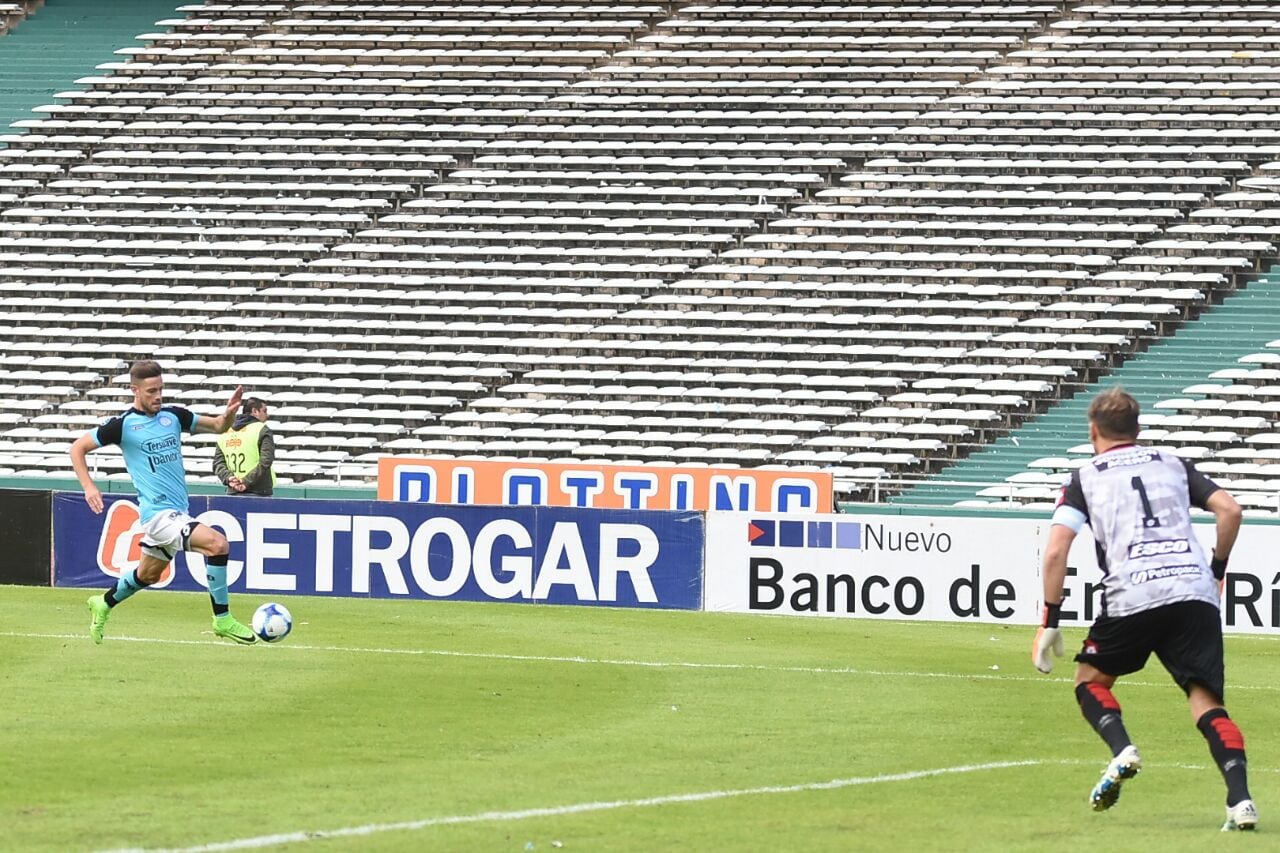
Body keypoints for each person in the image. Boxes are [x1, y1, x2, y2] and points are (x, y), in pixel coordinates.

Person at [1033, 386, 1256, 830]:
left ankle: (1122, 749)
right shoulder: (1171, 464)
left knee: (1089, 681)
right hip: (1192, 591)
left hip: (1133, 591)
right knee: (1206, 699)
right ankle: (1241, 801)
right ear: (1139, 430)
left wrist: (1050, 622)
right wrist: (1216, 569)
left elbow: (1056, 552)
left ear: (1094, 430)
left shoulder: (1085, 477)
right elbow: (1230, 511)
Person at [69, 360, 257, 644]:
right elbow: (77, 448)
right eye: (151, 391)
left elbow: (219, 426)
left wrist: (228, 414)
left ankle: (104, 602)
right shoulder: (123, 426)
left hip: (177, 512)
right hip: (158, 515)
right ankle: (222, 619)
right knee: (218, 544)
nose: (158, 396)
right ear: (135, 390)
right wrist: (88, 487)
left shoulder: (173, 416)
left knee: (148, 574)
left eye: (161, 389)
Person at [213, 396, 276, 496]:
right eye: (264, 411)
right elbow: (266, 461)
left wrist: (229, 479)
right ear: (255, 411)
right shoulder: (262, 429)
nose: (267, 415)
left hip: (233, 491)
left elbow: (218, 463)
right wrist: (245, 481)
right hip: (259, 491)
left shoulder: (226, 431)